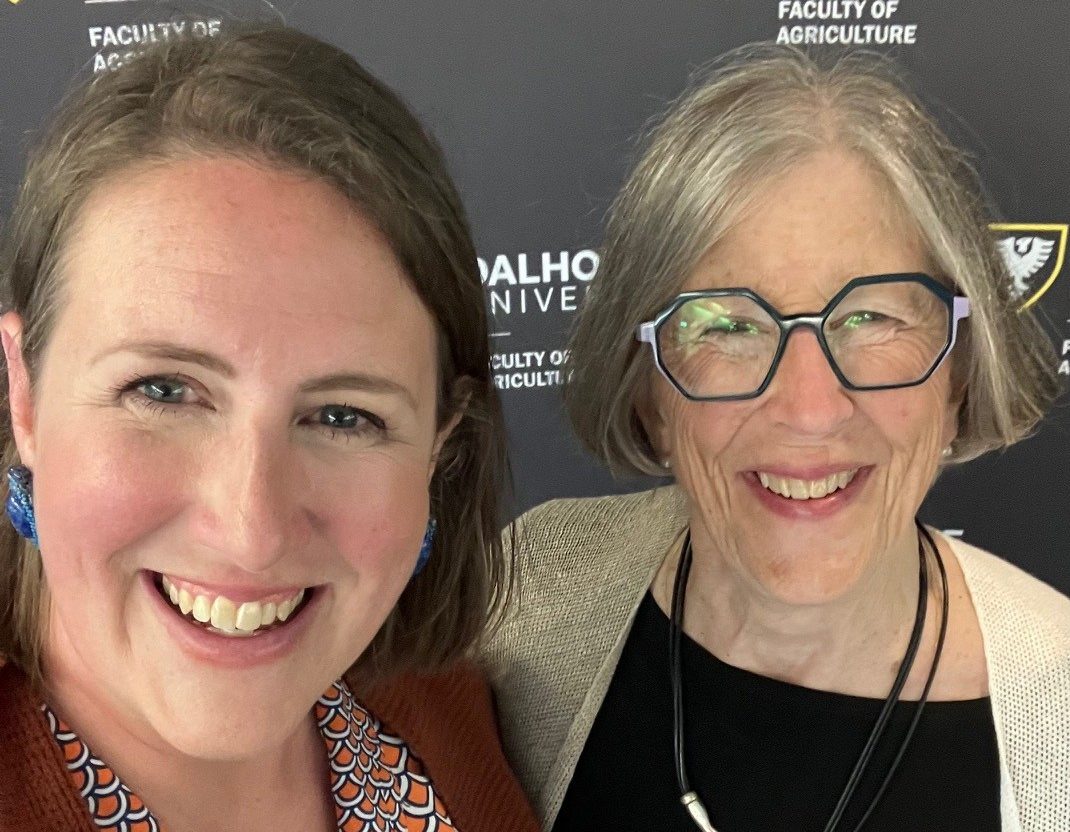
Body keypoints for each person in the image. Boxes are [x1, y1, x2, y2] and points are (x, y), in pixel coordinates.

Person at [483, 44, 1070, 831]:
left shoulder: (1058, 706)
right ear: (650, 390)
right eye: (728, 326)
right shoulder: (527, 593)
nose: (810, 409)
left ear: (960, 371)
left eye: (871, 319)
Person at [0, 25, 538, 832]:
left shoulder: (449, 709)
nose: (251, 533)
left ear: (439, 443)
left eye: (344, 416)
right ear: (26, 397)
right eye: (163, 390)